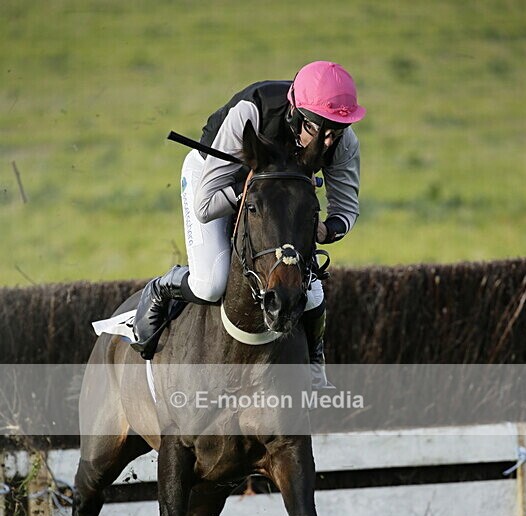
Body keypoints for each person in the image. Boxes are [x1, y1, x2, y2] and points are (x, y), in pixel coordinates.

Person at [132, 61, 366, 386]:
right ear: (295, 113)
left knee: (311, 292)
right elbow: (205, 206)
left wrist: (325, 230)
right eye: (317, 129)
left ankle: (314, 362)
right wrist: (252, 187)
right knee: (211, 284)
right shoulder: (251, 112)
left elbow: (346, 209)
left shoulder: (343, 142)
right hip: (216, 182)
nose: (326, 142)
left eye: (335, 132)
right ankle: (162, 287)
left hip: (278, 199)